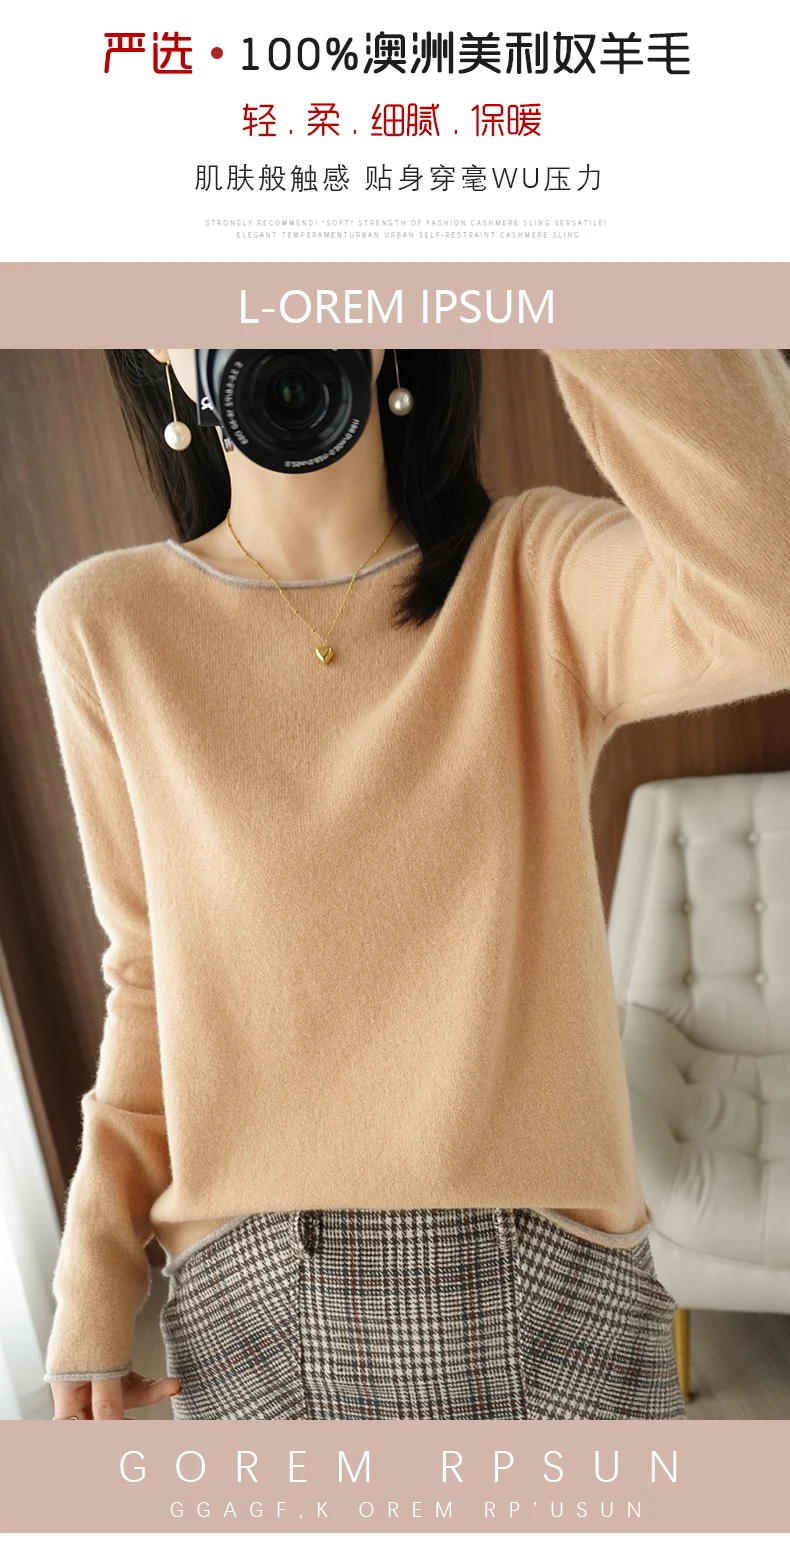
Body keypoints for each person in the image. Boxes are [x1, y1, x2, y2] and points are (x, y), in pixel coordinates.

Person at [36, 347, 790, 1422]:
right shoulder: (104, 625)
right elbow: (153, 975)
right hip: (252, 1303)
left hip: (556, 1283)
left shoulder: (531, 573)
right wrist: (95, 1274)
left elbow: (769, 595)